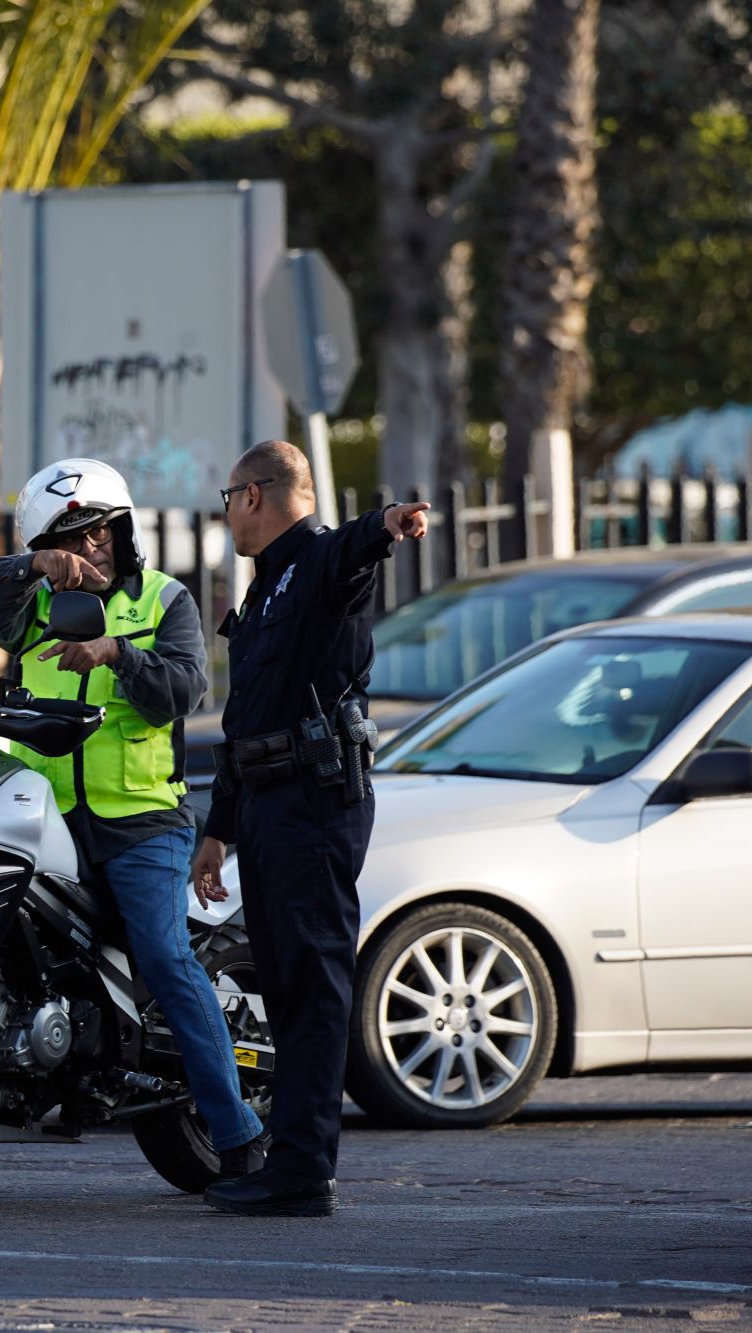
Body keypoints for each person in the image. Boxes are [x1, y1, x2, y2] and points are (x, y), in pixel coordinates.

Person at [0, 457, 267, 1199]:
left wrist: (115, 652)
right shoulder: (33, 604)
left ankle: (240, 1137)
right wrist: (30, 564)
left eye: (101, 530)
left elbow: (184, 687)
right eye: (73, 536)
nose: (93, 546)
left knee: (164, 952)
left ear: (123, 530)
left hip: (141, 819)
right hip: (40, 817)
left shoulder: (163, 599)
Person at [192, 440, 429, 1217]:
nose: (226, 513)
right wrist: (218, 828)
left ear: (255, 494)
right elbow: (243, 718)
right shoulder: (263, 590)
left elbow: (355, 551)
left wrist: (387, 523)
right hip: (264, 801)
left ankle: (303, 1170)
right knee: (286, 985)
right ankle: (289, 1157)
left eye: (228, 498)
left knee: (313, 982)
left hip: (314, 799)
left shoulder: (321, 560)